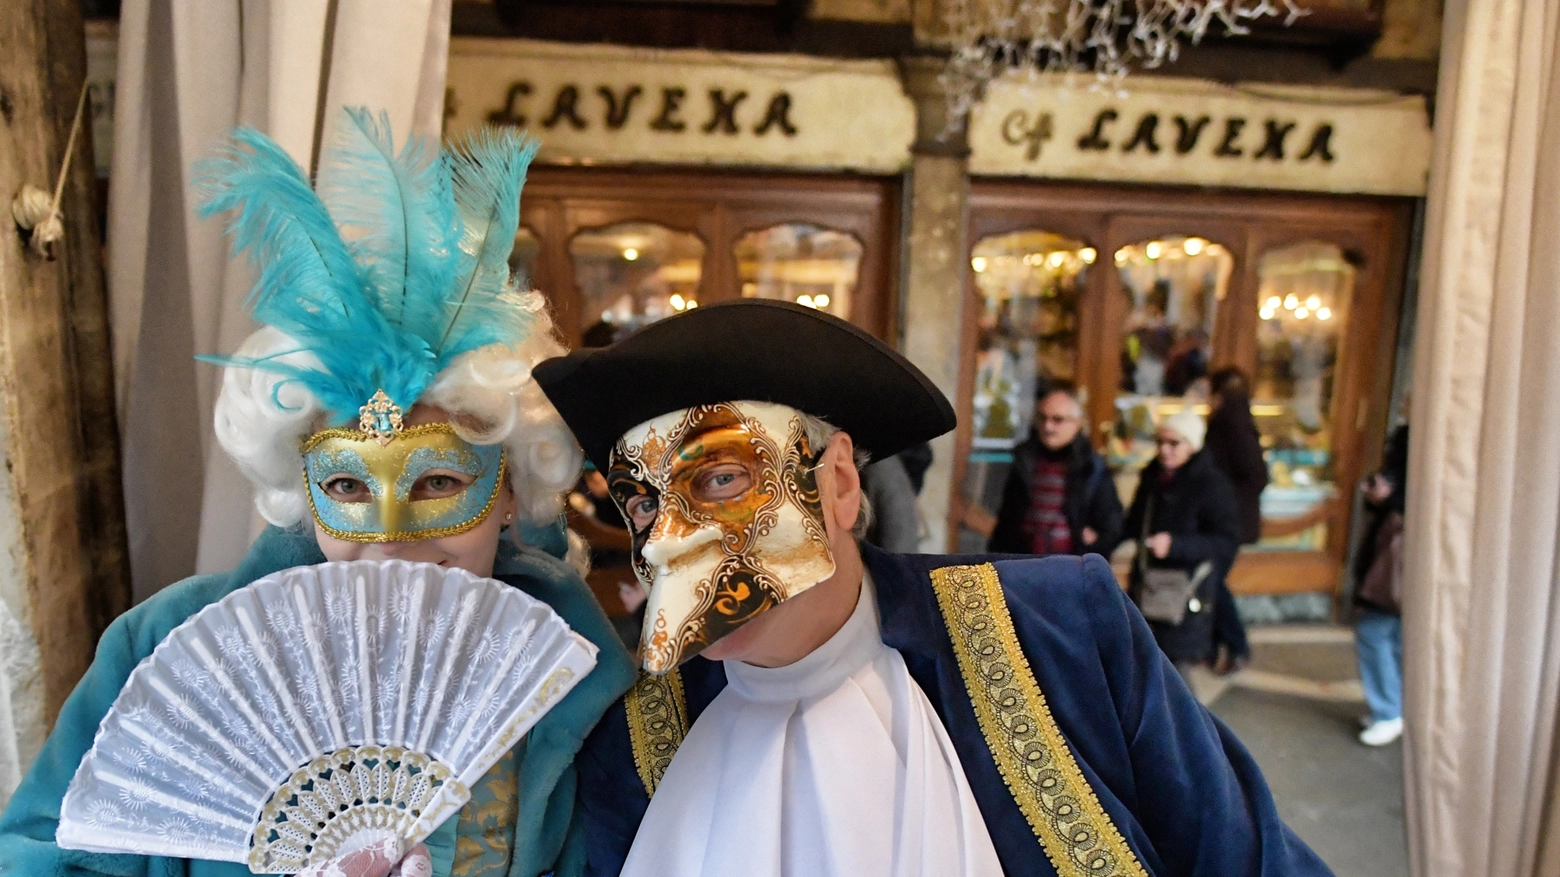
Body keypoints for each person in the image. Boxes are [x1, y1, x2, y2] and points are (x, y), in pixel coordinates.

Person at [0, 111, 636, 877]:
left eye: (437, 481)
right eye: (345, 485)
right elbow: (39, 856)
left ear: (509, 493)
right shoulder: (158, 646)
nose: (389, 542)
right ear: (302, 489)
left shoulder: (586, 685)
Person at [534, 300, 1332, 877]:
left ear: (840, 482)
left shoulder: (1063, 629)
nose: (667, 536)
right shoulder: (633, 744)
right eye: (642, 504)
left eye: (719, 476)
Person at [1123, 407, 1243, 683]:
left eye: (1174, 443)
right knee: (1145, 662)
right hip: (1148, 584)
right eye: (1160, 442)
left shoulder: (1212, 484)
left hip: (1186, 591)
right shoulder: (1153, 476)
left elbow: (1225, 540)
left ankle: (1182, 726)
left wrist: (1176, 545)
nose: (1165, 450)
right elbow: (1135, 522)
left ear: (1192, 445)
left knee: (1174, 672)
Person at [988, 384, 1124, 557]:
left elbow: (1111, 525)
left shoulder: (1091, 467)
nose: (1048, 427)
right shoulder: (1025, 460)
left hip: (1071, 567)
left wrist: (1092, 543)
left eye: (1058, 420)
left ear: (1077, 423)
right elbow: (1007, 518)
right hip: (1022, 562)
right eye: (1043, 418)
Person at [1203, 367, 1267, 673]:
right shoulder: (1234, 420)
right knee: (1210, 579)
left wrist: (1224, 499)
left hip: (1227, 521)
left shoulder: (1231, 423)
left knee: (1212, 581)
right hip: (1226, 518)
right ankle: (1214, 646)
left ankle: (1234, 644)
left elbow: (1255, 474)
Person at [1352, 416, 1409, 746]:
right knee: (1395, 634)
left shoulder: (1417, 438)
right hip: (1394, 552)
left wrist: (1387, 497)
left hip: (1396, 557)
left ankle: (1389, 710)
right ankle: (1394, 707)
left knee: (1375, 630)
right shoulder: (1408, 434)